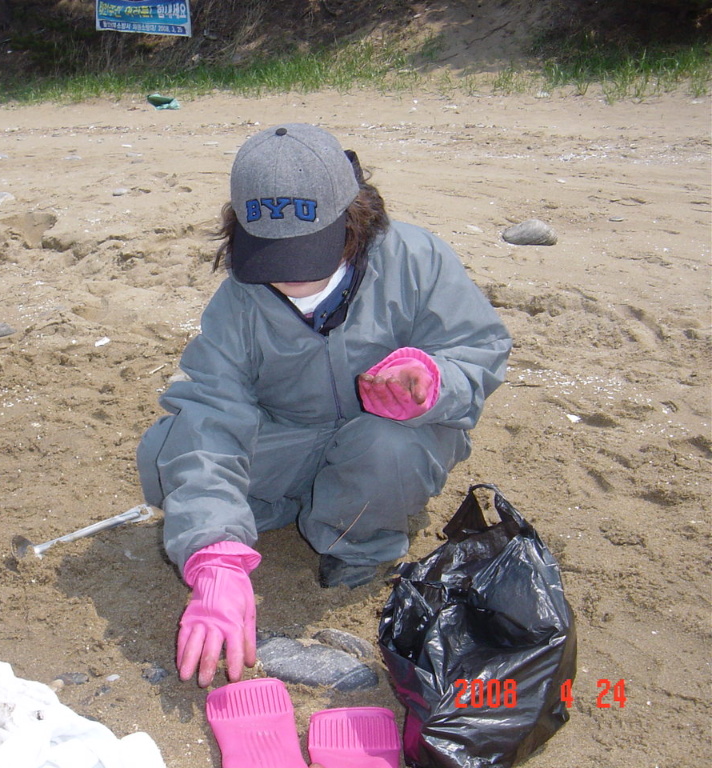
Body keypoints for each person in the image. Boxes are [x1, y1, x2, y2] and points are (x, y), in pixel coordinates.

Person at [136, 123, 512, 688]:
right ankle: (271, 515)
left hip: (386, 435)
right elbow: (211, 414)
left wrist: (434, 383)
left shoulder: (417, 258)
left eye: (310, 252)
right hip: (290, 431)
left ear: (354, 219)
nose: (291, 276)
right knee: (165, 452)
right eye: (272, 256)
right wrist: (214, 552)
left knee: (389, 446)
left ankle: (354, 544)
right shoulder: (240, 295)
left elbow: (480, 349)